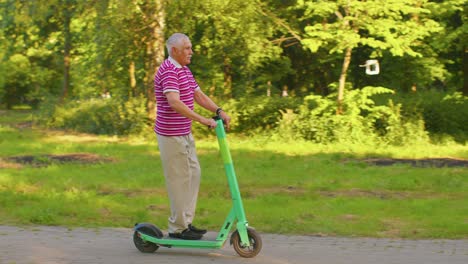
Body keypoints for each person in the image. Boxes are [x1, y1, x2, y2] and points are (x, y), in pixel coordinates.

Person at [154, 33, 231, 240]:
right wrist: (204, 120)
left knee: (193, 175)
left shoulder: (184, 70)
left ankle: (185, 223)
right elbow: (174, 102)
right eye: (187, 48)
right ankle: (177, 228)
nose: (191, 51)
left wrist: (218, 110)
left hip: (184, 133)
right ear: (174, 51)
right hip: (171, 136)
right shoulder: (169, 71)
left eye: (190, 47)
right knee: (179, 180)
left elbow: (198, 95)